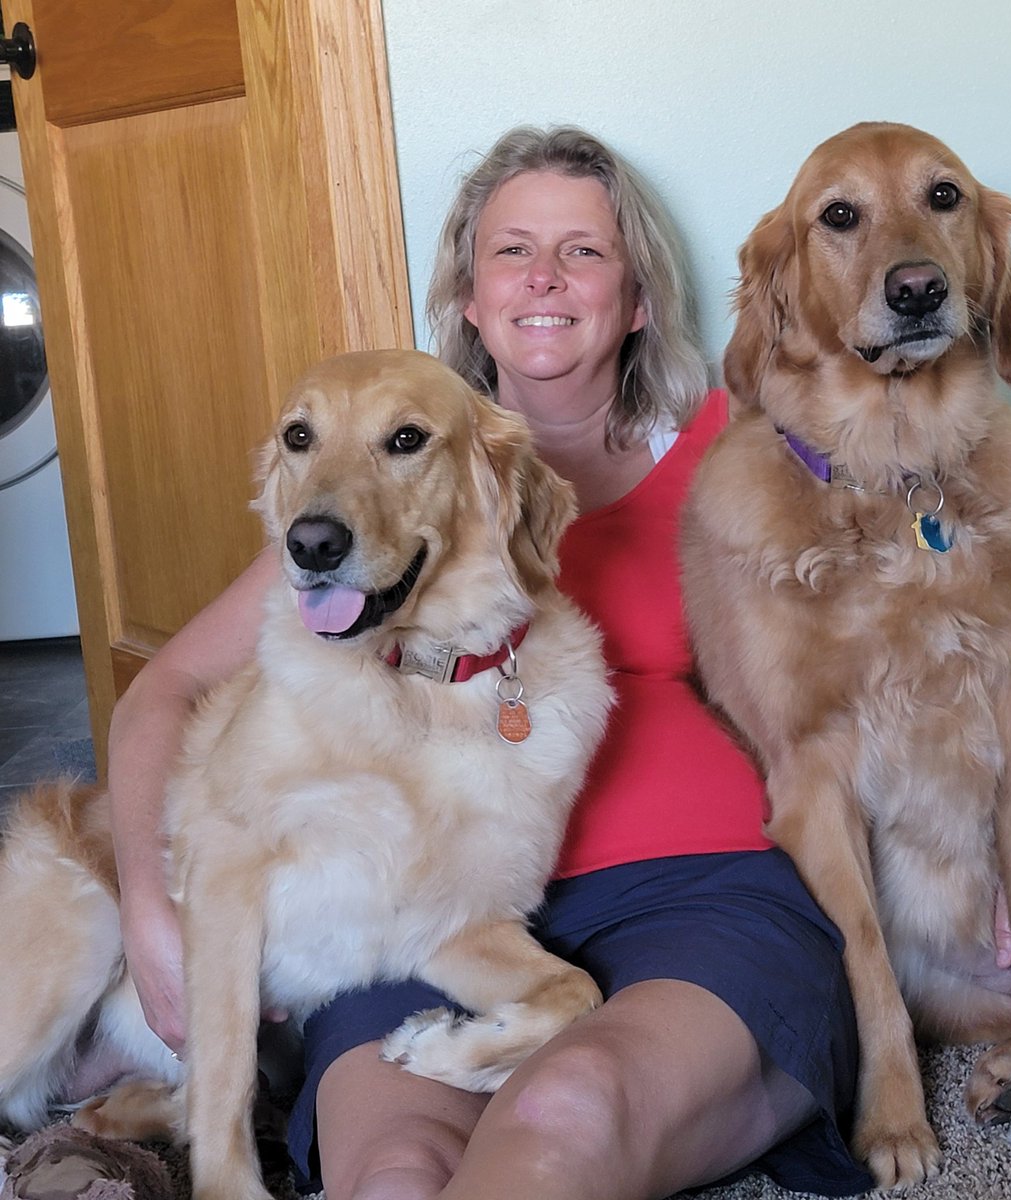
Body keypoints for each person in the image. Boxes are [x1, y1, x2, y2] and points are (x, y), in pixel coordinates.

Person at [108, 125, 872, 1200]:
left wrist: (992, 854)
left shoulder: (740, 446)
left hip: (694, 886)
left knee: (563, 1117)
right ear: (471, 296)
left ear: (641, 297)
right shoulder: (380, 486)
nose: (544, 278)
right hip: (419, 917)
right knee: (394, 1174)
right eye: (512, 251)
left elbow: (886, 654)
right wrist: (154, 909)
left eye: (585, 252)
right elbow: (167, 694)